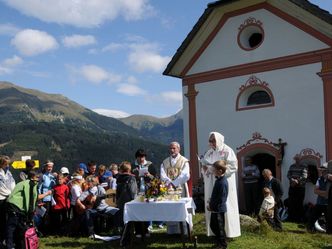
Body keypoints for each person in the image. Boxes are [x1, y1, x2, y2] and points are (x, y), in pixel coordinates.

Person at [201, 132, 241, 238]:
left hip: (224, 182)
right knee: (212, 202)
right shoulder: (209, 153)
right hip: (211, 182)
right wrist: (205, 169)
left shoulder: (227, 151)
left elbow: (233, 166)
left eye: (213, 140)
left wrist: (220, 172)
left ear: (219, 140)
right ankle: (215, 232)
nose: (211, 143)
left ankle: (229, 232)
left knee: (225, 205)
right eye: (210, 141)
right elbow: (204, 165)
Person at [5, 170, 52, 249]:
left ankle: (15, 245)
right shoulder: (30, 184)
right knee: (12, 228)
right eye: (38, 177)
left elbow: (30, 198)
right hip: (16, 208)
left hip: (13, 206)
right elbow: (28, 199)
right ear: (33, 177)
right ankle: (10, 246)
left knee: (15, 227)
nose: (39, 179)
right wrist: (30, 214)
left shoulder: (24, 183)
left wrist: (35, 204)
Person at [160, 141, 190, 234]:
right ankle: (172, 231)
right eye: (171, 148)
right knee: (170, 208)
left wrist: (175, 183)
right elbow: (162, 175)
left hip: (181, 187)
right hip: (169, 188)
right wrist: (169, 183)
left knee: (182, 208)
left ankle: (184, 230)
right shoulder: (165, 162)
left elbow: (186, 174)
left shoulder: (184, 161)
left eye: (174, 148)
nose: (172, 150)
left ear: (179, 149)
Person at [207, 160, 228, 249]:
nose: (213, 171)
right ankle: (219, 241)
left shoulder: (223, 182)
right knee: (213, 225)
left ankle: (222, 244)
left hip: (218, 209)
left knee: (219, 228)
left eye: (214, 170)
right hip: (215, 208)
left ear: (220, 171)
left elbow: (221, 198)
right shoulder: (218, 180)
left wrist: (212, 207)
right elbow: (216, 194)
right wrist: (211, 200)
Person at [116, 161, 137, 247]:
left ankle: (125, 239)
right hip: (129, 201)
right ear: (129, 169)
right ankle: (125, 241)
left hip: (121, 201)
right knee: (129, 222)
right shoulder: (131, 178)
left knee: (124, 221)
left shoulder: (118, 178)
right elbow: (132, 191)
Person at [307, 163, 329, 232]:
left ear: (327, 171)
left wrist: (322, 192)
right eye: (321, 171)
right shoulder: (319, 179)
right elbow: (315, 191)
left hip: (328, 204)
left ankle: (328, 231)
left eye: (324, 171)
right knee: (313, 216)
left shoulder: (330, 180)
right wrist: (325, 193)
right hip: (320, 202)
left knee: (329, 219)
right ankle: (310, 229)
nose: (322, 172)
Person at [0, 155, 15, 246]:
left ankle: (7, 239)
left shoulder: (9, 173)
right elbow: (1, 188)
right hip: (1, 199)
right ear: (1, 164)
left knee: (8, 220)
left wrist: (13, 193)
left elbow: (13, 183)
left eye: (8, 164)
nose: (7, 166)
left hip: (9, 198)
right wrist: (10, 193)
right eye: (6, 164)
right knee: (1, 220)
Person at [287, 156, 308, 222]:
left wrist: (297, 181)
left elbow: (304, 176)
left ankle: (299, 218)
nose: (297, 160)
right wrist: (292, 179)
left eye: (298, 159)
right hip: (292, 186)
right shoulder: (292, 166)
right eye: (296, 159)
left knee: (299, 202)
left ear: (300, 159)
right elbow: (288, 174)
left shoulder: (304, 166)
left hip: (300, 187)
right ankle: (291, 217)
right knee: (291, 202)